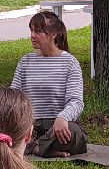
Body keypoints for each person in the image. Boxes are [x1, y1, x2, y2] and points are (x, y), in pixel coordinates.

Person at [10, 10, 87, 157]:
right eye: (31, 30)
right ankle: (42, 148)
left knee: (74, 133)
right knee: (4, 127)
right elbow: (14, 97)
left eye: (38, 31)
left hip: (58, 127)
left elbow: (76, 101)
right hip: (31, 126)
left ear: (53, 35)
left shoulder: (70, 63)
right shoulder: (25, 61)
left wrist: (63, 118)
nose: (32, 35)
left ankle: (33, 147)